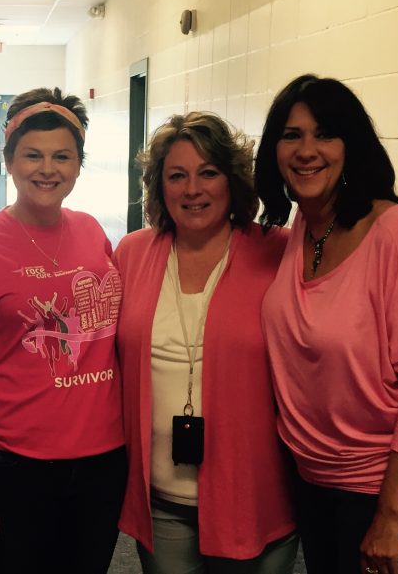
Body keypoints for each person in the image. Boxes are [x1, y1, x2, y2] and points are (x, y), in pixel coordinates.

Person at [255, 74, 398, 574]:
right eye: (291, 135)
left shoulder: (397, 235)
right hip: (313, 481)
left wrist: (391, 517)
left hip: (381, 491)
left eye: (324, 134)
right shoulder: (303, 222)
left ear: (352, 145)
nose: (306, 150)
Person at [0, 88, 126, 573]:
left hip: (103, 457)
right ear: (8, 160)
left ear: (79, 165)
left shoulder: (92, 232)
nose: (47, 168)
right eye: (32, 155)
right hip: (16, 461)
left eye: (62, 156)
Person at [114, 113, 298, 574]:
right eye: (177, 176)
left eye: (208, 173)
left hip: (256, 496)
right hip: (163, 501)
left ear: (232, 182)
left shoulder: (278, 251)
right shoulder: (132, 254)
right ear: (160, 187)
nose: (192, 189)